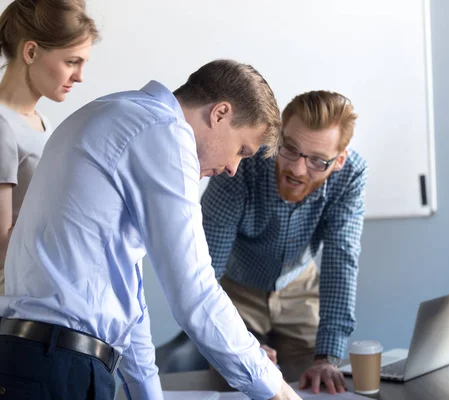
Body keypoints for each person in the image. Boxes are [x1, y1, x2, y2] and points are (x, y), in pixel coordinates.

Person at [0, 59, 301, 400]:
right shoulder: (164, 131)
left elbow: (125, 293)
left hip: (32, 358)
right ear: (220, 114)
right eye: (242, 150)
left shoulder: (110, 113)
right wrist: (275, 391)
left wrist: (147, 394)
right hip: (60, 365)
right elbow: (196, 292)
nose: (233, 168)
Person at [201, 90, 367, 393]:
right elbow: (206, 266)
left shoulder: (351, 176)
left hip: (299, 289)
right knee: (240, 381)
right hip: (236, 293)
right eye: (289, 149)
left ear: (339, 160)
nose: (297, 169)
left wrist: (327, 356)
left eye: (318, 161)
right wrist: (239, 347)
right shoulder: (242, 161)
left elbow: (341, 259)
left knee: (314, 383)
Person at [0, 0, 97, 295]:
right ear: (31, 52)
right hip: (13, 294)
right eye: (71, 62)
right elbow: (1, 246)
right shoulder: (2, 126)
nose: (80, 76)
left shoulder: (43, 123)